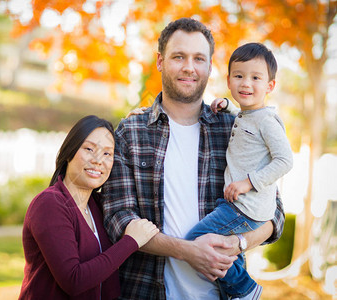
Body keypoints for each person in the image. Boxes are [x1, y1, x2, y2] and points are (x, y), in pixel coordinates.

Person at [102, 18, 286, 300]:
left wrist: (238, 242)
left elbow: (274, 213)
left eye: (199, 58)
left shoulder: (233, 127)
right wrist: (189, 251)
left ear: (210, 67)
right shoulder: (132, 131)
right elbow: (118, 218)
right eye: (179, 57)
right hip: (146, 290)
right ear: (161, 61)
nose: (189, 67)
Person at [183, 42, 293, 299]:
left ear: (270, 86)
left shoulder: (267, 120)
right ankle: (236, 294)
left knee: (196, 241)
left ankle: (244, 288)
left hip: (245, 206)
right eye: (239, 76)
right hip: (236, 203)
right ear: (229, 80)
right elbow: (246, 125)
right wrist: (228, 108)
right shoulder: (246, 115)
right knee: (227, 250)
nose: (246, 83)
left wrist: (248, 182)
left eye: (255, 78)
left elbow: (285, 160)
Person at [19, 115, 159, 300]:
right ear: (69, 152)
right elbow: (74, 280)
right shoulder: (50, 204)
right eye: (89, 149)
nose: (98, 160)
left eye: (107, 153)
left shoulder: (99, 206)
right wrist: (130, 241)